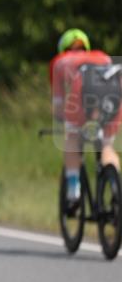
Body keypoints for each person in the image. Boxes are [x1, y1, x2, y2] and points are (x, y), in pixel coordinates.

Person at [49, 28, 121, 204]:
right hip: (114, 96)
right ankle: (115, 187)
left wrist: (63, 120)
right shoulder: (102, 57)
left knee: (72, 138)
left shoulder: (59, 62)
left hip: (82, 95)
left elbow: (58, 104)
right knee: (106, 145)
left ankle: (74, 187)